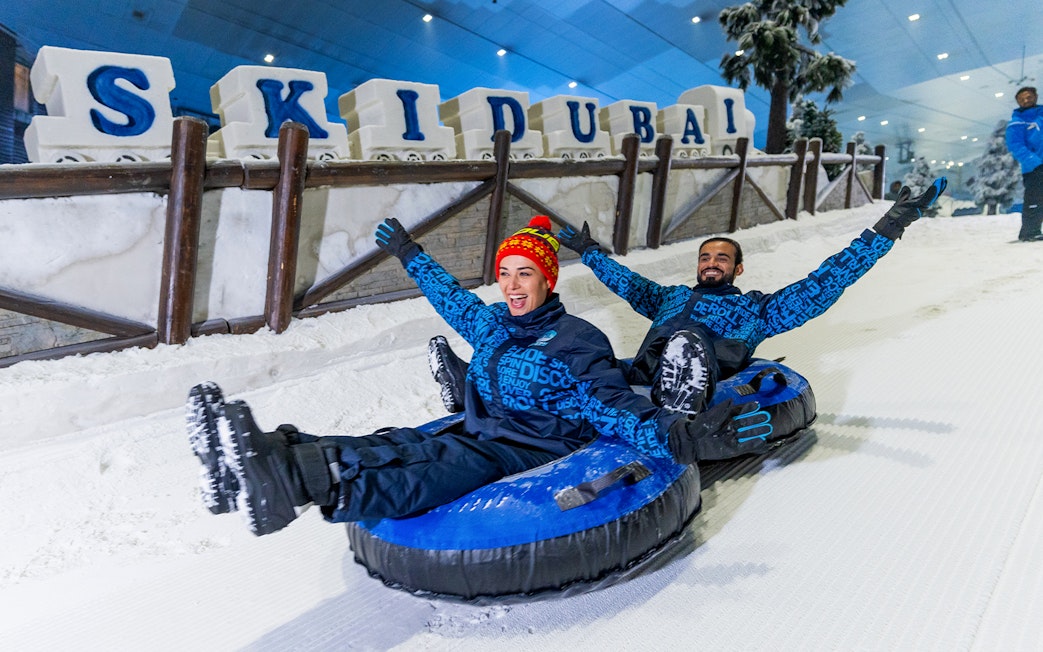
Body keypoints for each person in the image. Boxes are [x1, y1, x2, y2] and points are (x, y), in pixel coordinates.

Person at [186, 216, 769, 537]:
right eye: (505, 274)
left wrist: (683, 435)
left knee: (434, 466)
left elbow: (611, 407)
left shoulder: (578, 341)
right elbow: (451, 300)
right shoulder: (492, 323)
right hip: (482, 425)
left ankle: (294, 480)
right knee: (403, 440)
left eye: (526, 274)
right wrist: (412, 255)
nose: (513, 285)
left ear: (548, 281)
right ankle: (260, 457)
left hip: (531, 448)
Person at [1005, 86, 1043, 242]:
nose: (1026, 100)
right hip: (1034, 169)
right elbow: (1016, 146)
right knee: (1035, 199)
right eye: (1022, 99)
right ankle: (1029, 232)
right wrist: (1036, 163)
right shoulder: (1016, 123)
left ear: (1035, 97)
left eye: (1029, 97)